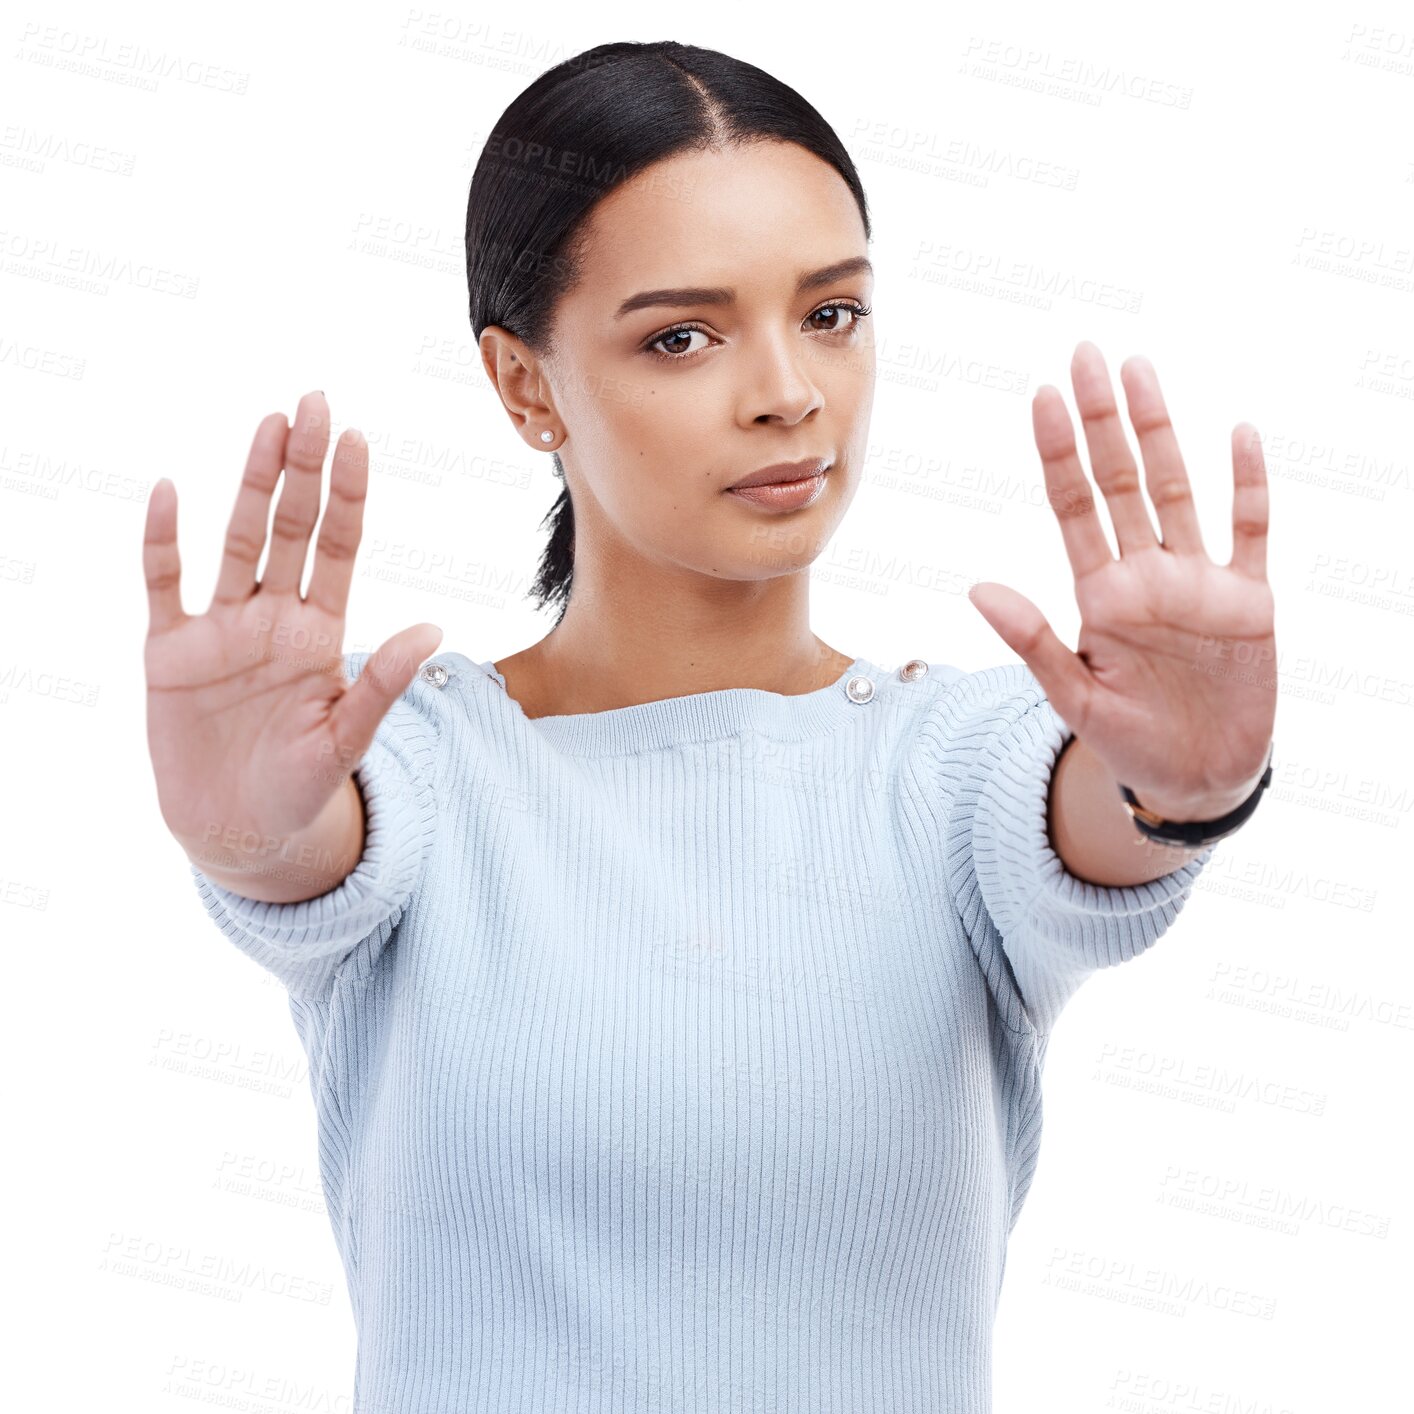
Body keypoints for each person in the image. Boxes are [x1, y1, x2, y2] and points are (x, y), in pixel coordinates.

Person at [142, 38, 1277, 1414]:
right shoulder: (415, 762)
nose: (787, 392)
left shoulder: (952, 763)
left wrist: (1185, 789)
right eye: (680, 334)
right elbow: (309, 848)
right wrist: (248, 838)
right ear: (524, 385)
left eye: (830, 314)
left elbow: (1094, 819)